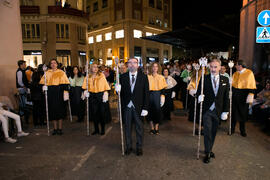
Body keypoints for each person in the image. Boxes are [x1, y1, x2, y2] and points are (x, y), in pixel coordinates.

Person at [197, 59, 229, 163]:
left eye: (215, 67)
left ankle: (210, 149)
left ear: (220, 68)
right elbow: (198, 92)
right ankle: (207, 153)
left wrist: (226, 111)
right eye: (211, 67)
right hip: (207, 109)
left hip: (218, 110)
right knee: (207, 131)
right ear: (208, 67)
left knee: (214, 132)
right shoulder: (204, 78)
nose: (213, 69)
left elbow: (226, 97)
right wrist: (199, 97)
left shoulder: (225, 79)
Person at [115, 57, 149, 156]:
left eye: (134, 63)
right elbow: (119, 94)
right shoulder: (123, 77)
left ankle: (139, 147)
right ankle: (128, 146)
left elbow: (146, 93)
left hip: (139, 107)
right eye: (130, 63)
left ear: (138, 65)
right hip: (127, 106)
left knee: (139, 128)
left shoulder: (144, 77)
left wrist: (145, 108)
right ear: (127, 65)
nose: (132, 64)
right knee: (127, 128)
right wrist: (117, 90)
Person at [40, 59, 70, 135]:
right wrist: (44, 87)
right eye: (51, 63)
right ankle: (55, 129)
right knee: (52, 111)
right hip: (50, 93)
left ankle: (60, 128)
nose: (53, 64)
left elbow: (65, 84)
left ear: (57, 64)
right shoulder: (47, 73)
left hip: (59, 93)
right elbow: (42, 83)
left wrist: (65, 91)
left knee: (59, 111)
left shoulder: (61, 72)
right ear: (50, 65)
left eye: (54, 63)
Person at [82, 63, 111, 135]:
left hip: (100, 95)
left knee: (102, 113)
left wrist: (105, 92)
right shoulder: (88, 76)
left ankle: (103, 129)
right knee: (94, 113)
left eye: (96, 67)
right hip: (92, 96)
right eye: (93, 67)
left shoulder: (101, 75)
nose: (95, 68)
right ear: (91, 68)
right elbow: (85, 86)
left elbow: (105, 85)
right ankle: (96, 129)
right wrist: (85, 91)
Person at [231, 60, 256, 137]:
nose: (235, 66)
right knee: (233, 113)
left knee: (243, 114)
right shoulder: (235, 73)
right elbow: (232, 84)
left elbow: (252, 85)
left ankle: (243, 130)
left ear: (240, 66)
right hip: (235, 96)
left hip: (244, 96)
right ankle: (232, 129)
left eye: (236, 65)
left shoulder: (249, 73)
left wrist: (250, 95)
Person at [147, 62, 167, 134]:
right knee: (150, 112)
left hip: (157, 95)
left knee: (158, 111)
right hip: (149, 95)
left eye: (156, 66)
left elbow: (163, 89)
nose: (155, 68)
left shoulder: (161, 77)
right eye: (153, 66)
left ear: (158, 68)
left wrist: (162, 96)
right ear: (151, 68)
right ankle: (152, 128)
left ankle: (156, 128)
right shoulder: (148, 77)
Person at [16, 60, 30, 124]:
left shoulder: (22, 71)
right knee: (23, 104)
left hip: (23, 89)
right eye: (24, 64)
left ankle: (24, 118)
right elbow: (19, 81)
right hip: (21, 89)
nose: (25, 65)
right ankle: (22, 119)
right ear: (21, 65)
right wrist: (24, 86)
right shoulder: (19, 71)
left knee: (24, 104)